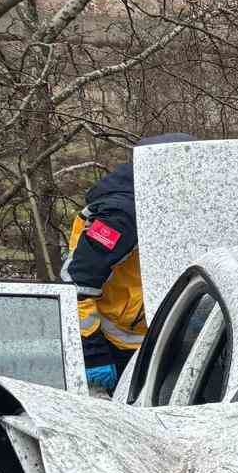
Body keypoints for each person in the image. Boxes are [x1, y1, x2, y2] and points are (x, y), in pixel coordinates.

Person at [62, 133, 194, 391]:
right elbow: (76, 286)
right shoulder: (123, 216)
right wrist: (92, 352)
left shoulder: (165, 203)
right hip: (115, 345)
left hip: (153, 336)